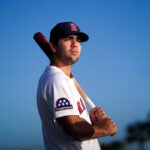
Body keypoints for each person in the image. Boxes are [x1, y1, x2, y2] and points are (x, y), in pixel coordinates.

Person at [37, 21, 117, 150]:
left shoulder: (64, 79)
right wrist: (104, 129)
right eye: (68, 39)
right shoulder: (56, 79)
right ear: (53, 46)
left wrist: (91, 122)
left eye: (78, 40)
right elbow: (74, 129)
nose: (75, 44)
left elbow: (74, 124)